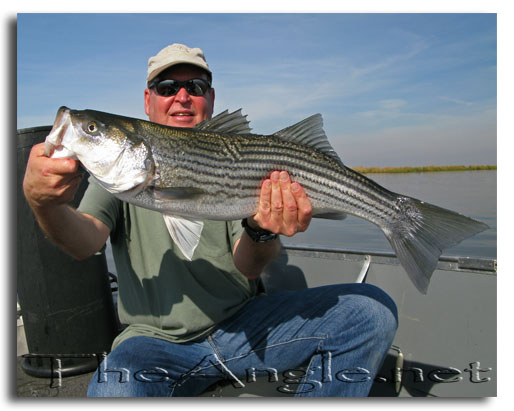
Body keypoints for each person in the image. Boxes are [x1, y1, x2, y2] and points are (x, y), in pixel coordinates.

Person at [22, 43, 398, 397]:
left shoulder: (234, 154)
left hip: (244, 324)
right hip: (152, 345)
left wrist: (261, 229)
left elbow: (248, 264)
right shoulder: (115, 177)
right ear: (147, 100)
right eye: (167, 86)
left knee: (371, 312)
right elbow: (83, 243)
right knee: (113, 392)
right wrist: (45, 205)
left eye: (196, 86)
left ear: (211, 98)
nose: (182, 96)